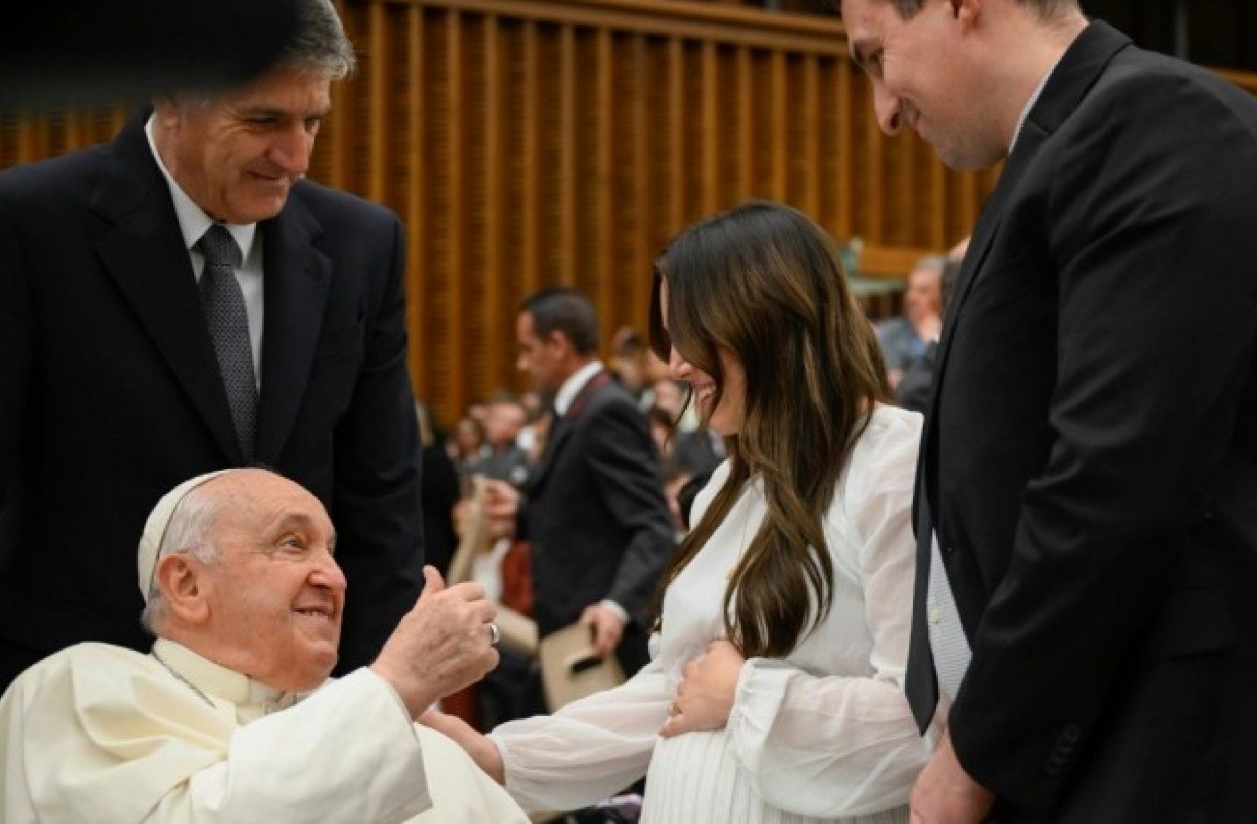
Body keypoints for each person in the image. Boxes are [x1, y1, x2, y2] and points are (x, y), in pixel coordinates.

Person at [817, 0, 1257, 820]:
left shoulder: (1156, 125)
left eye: (876, 59)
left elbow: (1116, 482)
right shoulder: (1067, 149)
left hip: (1192, 753)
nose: (884, 113)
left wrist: (981, 746)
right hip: (1118, 734)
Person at [424, 201, 931, 822]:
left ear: (764, 319)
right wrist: (502, 757)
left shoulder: (895, 466)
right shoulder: (727, 488)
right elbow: (671, 692)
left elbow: (926, 722)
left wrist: (746, 695)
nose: (675, 364)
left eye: (688, 334)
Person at [0, 0, 422, 688]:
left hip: (296, 705)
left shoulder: (363, 245)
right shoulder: (29, 226)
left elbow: (381, 502)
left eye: (312, 122)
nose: (295, 158)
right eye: (264, 120)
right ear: (172, 96)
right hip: (79, 691)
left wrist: (386, 694)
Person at [0, 468, 527, 824]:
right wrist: (397, 683)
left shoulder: (406, 734)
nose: (334, 577)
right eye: (292, 544)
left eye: (332, 552)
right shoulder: (79, 688)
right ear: (187, 584)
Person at [513, 287, 675, 675]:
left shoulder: (607, 410)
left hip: (600, 635)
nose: (522, 364)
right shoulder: (574, 406)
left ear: (558, 345)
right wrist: (517, 514)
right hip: (569, 626)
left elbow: (652, 526)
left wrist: (615, 607)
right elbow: (578, 510)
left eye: (528, 349)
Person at [875, 256, 946, 388]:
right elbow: (890, 383)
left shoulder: (950, 335)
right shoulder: (889, 333)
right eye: (910, 289)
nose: (912, 297)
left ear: (942, 296)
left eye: (923, 291)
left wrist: (933, 340)